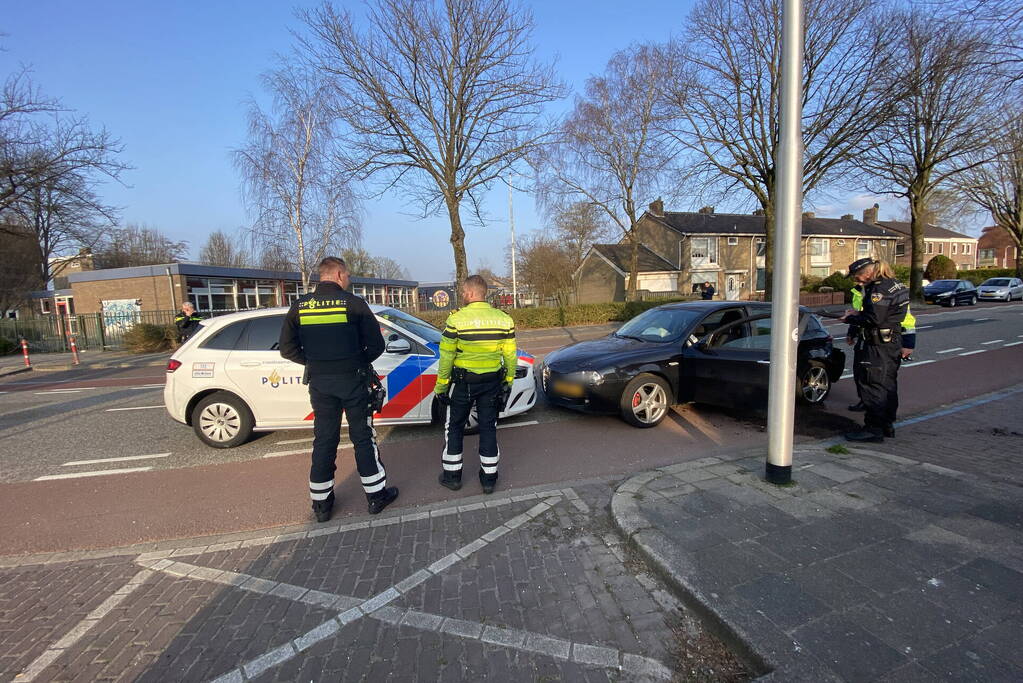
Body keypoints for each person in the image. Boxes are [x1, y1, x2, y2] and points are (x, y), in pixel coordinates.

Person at [279, 257, 398, 521]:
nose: (349, 280)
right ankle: (376, 497)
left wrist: (314, 362)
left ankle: (321, 505)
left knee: (324, 439)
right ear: (340, 274)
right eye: (348, 276)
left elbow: (287, 349)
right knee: (363, 437)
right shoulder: (354, 304)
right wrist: (357, 361)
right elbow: (376, 345)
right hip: (354, 380)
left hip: (320, 383)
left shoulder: (299, 307)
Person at [435, 275, 517, 495]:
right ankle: (489, 479)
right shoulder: (503, 319)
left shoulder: (456, 320)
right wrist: (508, 381)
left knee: (454, 427)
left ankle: (452, 477)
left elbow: (446, 357)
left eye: (463, 292)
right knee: (488, 427)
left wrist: (441, 387)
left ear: (471, 293)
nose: (462, 295)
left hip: (463, 382)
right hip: (492, 382)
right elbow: (510, 355)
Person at [840, 258, 909, 442]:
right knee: (888, 385)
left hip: (877, 345)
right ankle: (887, 424)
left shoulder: (878, 289)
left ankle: (873, 429)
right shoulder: (895, 284)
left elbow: (874, 319)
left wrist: (850, 319)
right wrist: (858, 315)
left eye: (858, 276)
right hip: (891, 342)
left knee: (872, 385)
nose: (857, 281)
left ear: (868, 272)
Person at [847, 285, 917, 411]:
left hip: (883, 340)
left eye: (858, 275)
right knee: (859, 373)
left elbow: (907, 319)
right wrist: (851, 332)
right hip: (864, 339)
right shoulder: (858, 291)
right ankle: (865, 400)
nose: (856, 279)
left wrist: (909, 343)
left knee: (881, 377)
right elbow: (860, 314)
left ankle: (882, 412)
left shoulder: (885, 291)